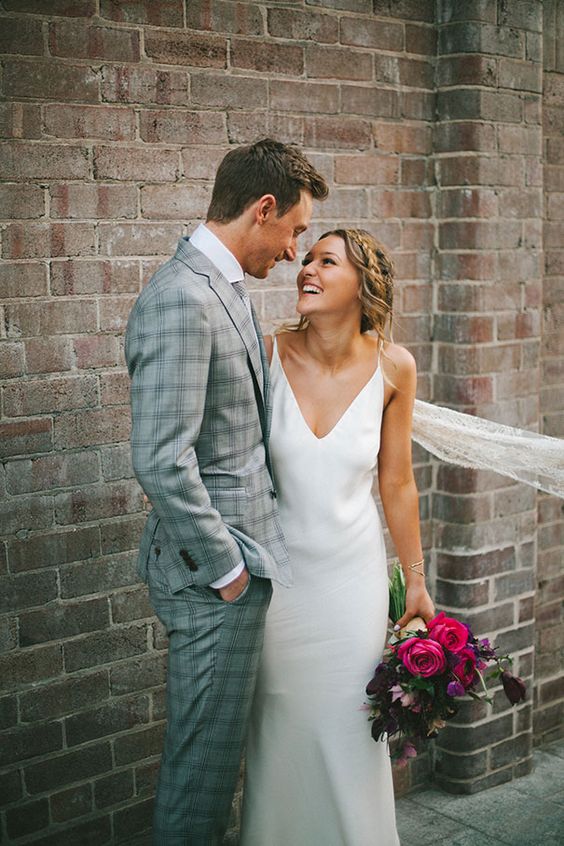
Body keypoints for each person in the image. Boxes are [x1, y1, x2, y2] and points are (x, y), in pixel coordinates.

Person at [125, 139, 328, 845]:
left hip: (233, 573)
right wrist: (230, 572)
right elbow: (160, 459)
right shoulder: (181, 298)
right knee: (201, 780)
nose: (296, 249)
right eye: (295, 229)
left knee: (214, 770)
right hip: (212, 580)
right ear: (263, 208)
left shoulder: (227, 288)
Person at [239, 228, 435, 846]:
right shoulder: (264, 353)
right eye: (307, 257)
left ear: (363, 285)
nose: (305, 267)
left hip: (352, 587)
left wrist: (416, 588)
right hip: (280, 590)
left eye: (327, 260)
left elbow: (398, 484)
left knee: (350, 733)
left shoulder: (394, 367)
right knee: (281, 731)